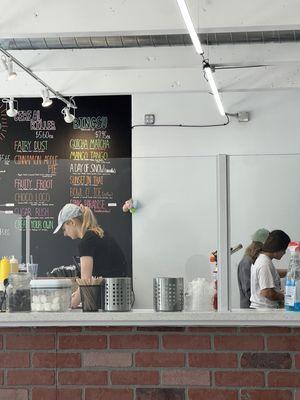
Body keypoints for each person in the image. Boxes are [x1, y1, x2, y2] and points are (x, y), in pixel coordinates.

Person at [53, 203, 128, 308]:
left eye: (64, 229)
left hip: (108, 300)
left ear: (71, 222)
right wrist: (78, 294)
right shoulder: (99, 234)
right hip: (119, 298)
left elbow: (86, 281)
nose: (65, 234)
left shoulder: (86, 242)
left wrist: (72, 302)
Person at [250, 229, 290, 309]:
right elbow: (267, 293)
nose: (284, 253)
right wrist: (285, 296)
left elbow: (271, 274)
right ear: (277, 248)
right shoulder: (265, 263)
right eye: (284, 249)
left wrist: (290, 272)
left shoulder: (262, 259)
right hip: (264, 310)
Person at [237, 228, 270, 308]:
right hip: (249, 310)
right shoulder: (246, 262)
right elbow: (248, 290)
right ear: (262, 246)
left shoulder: (257, 261)